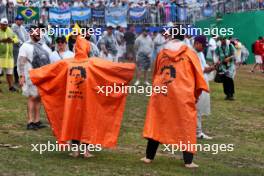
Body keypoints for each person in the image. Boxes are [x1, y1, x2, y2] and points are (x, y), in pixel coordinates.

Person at [29, 36, 135, 158]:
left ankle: (75, 151)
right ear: (86, 48)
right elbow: (112, 69)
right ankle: (85, 151)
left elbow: (50, 71)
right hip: (88, 101)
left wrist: (34, 74)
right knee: (87, 123)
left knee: (73, 123)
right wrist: (129, 69)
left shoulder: (67, 63)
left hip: (71, 102)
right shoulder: (93, 63)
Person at [141, 29, 208, 168]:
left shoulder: (162, 53)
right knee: (186, 125)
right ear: (184, 37)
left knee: (157, 122)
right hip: (182, 95)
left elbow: (156, 74)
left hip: (162, 93)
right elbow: (198, 77)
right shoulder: (190, 54)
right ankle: (188, 161)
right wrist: (195, 95)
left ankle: (148, 157)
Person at [17, 25, 52, 130]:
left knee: (39, 98)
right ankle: (30, 122)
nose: (38, 35)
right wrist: (21, 76)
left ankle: (36, 121)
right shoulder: (25, 46)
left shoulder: (43, 45)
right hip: (30, 75)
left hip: (42, 76)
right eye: (36, 33)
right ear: (31, 33)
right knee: (32, 97)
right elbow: (20, 63)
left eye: (39, 33)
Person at [193, 35, 215, 140]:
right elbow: (199, 70)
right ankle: (198, 132)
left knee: (199, 108)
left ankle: (198, 131)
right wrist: (210, 68)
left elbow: (204, 67)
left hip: (202, 83)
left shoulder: (200, 53)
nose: (204, 48)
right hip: (196, 85)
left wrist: (211, 67)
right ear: (197, 43)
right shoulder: (192, 54)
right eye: (203, 45)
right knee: (196, 108)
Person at [0, 18, 18, 92]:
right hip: (0, 55)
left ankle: (11, 87)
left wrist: (12, 40)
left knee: (9, 73)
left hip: (9, 56)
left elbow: (16, 38)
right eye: (3, 25)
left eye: (6, 25)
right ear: (0, 24)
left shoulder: (10, 30)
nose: (5, 26)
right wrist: (2, 40)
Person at [11, 15, 29, 85]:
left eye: (21, 19)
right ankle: (16, 80)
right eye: (19, 19)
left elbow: (27, 35)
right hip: (16, 48)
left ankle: (23, 79)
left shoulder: (22, 27)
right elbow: (14, 37)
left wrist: (27, 43)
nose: (21, 21)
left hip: (23, 47)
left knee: (23, 63)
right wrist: (22, 44)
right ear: (16, 20)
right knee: (16, 63)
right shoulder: (13, 27)